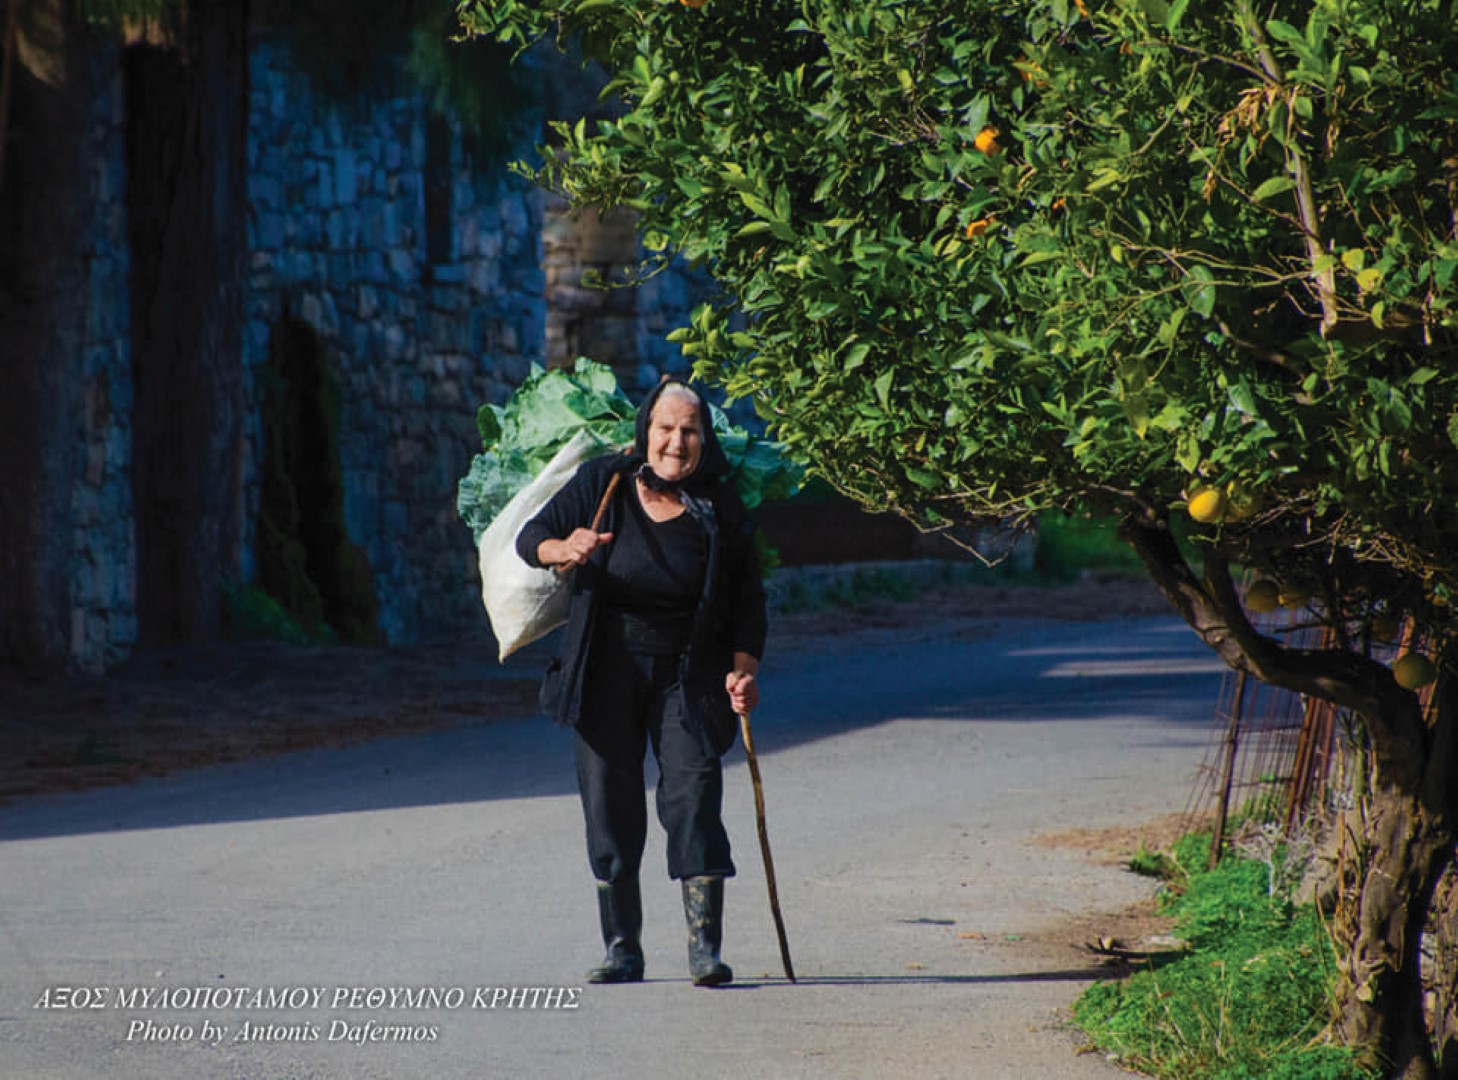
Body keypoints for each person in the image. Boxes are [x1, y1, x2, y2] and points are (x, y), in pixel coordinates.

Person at [515, 377, 766, 987]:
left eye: (689, 431)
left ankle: (704, 950)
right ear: (644, 431)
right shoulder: (603, 483)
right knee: (609, 803)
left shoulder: (721, 506)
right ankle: (622, 947)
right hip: (604, 669)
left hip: (688, 675)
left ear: (704, 439)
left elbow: (748, 604)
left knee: (694, 796)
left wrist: (742, 672)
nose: (676, 442)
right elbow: (530, 540)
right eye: (665, 429)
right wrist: (563, 547)